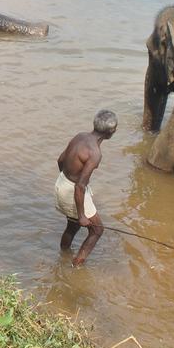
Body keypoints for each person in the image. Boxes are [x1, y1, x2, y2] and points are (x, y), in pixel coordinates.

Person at [56, 110, 117, 267]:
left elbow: (60, 160)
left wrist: (66, 179)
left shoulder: (80, 136)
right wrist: (82, 214)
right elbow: (80, 185)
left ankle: (63, 256)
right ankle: (77, 265)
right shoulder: (95, 153)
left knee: (73, 225)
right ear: (111, 132)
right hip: (74, 191)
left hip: (61, 183)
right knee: (97, 230)